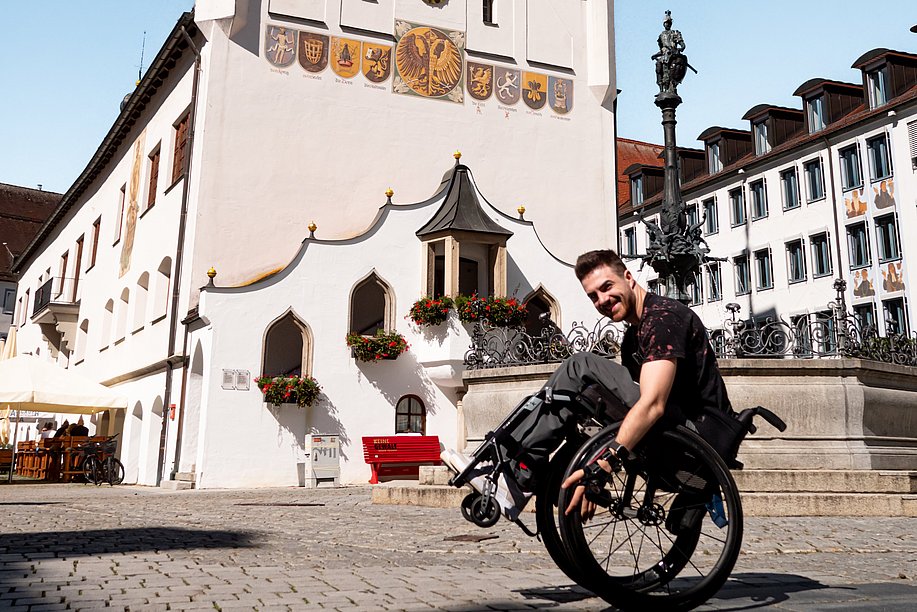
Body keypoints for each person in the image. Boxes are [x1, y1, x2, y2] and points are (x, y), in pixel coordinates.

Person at [441, 249, 734, 521]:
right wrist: (585, 461)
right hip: (672, 426)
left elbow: (653, 404)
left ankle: (513, 471)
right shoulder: (634, 334)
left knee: (580, 365)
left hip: (697, 434)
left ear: (629, 279)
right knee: (576, 391)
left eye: (607, 287)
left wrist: (605, 463)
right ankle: (519, 471)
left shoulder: (663, 318)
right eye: (593, 296)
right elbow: (614, 404)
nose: (602, 300)